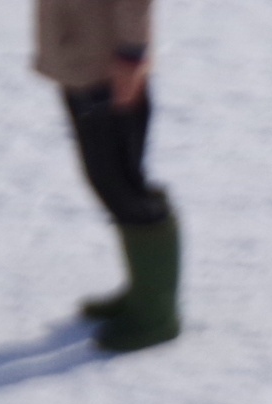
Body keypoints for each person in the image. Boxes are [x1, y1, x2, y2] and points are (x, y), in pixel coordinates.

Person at [37, 0, 181, 355]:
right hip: (81, 57)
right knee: (111, 178)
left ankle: (156, 314)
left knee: (118, 183)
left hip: (109, 66)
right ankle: (142, 292)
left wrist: (132, 55)